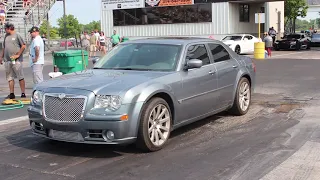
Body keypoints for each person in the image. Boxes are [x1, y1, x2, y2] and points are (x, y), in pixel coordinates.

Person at [0, 23, 26, 99]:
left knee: (20, 76)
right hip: (7, 60)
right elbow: (4, 48)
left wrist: (18, 55)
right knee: (10, 77)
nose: (5, 30)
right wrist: (1, 57)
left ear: (9, 28)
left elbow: (23, 45)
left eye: (5, 29)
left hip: (16, 60)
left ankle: (23, 93)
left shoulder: (17, 35)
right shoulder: (6, 36)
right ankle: (11, 93)